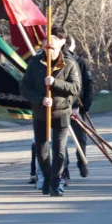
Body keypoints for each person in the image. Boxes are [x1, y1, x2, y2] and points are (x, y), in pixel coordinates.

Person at [20, 26, 81, 197]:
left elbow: (76, 88)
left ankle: (56, 182)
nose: (49, 51)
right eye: (46, 48)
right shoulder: (35, 63)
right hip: (41, 113)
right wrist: (40, 99)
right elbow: (24, 87)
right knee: (41, 150)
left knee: (59, 150)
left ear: (59, 46)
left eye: (52, 47)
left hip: (61, 112)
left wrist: (55, 83)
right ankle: (46, 178)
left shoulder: (69, 63)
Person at [65, 36, 93, 179]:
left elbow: (88, 85)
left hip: (78, 106)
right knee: (60, 140)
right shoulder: (56, 62)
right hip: (61, 106)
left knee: (81, 137)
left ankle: (82, 162)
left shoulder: (81, 62)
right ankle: (64, 169)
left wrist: (85, 106)